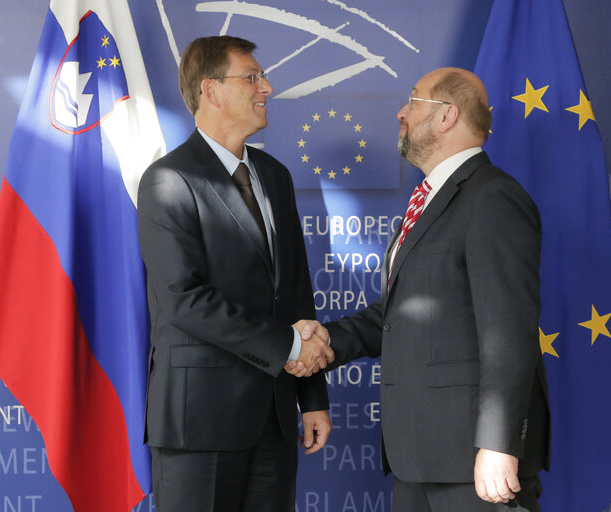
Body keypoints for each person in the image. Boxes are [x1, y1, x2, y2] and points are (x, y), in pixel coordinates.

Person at [290, 67, 550, 512]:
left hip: (474, 463)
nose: (401, 112)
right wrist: (327, 340)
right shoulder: (430, 197)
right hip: (418, 460)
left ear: (447, 115)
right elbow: (397, 316)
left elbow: (509, 333)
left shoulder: (492, 198)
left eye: (413, 100)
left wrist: (498, 445)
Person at [137, 36, 333, 512]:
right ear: (211, 90)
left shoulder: (275, 175)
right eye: (252, 76)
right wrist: (288, 346)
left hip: (275, 419)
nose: (267, 86)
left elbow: (295, 295)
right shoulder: (168, 180)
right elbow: (185, 299)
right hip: (199, 423)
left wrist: (311, 396)